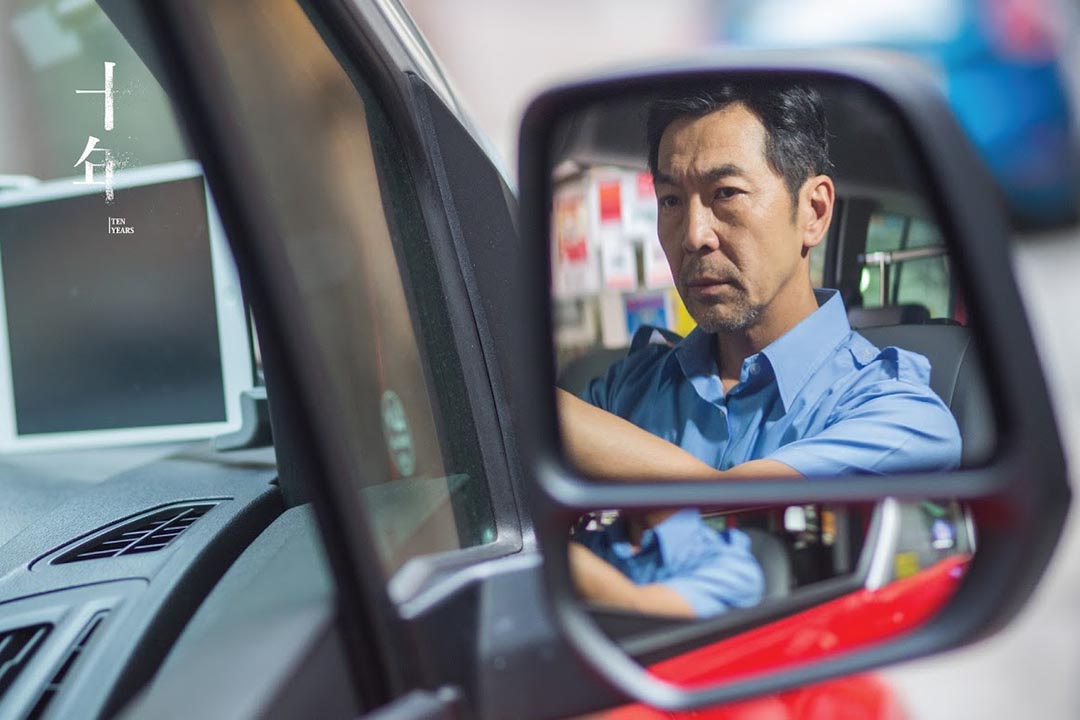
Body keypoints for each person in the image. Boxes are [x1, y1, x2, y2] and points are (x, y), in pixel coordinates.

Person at [560, 82, 962, 618]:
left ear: (813, 211)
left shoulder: (900, 414)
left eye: (726, 193)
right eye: (671, 200)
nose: (694, 235)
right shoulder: (628, 387)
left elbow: (730, 502)